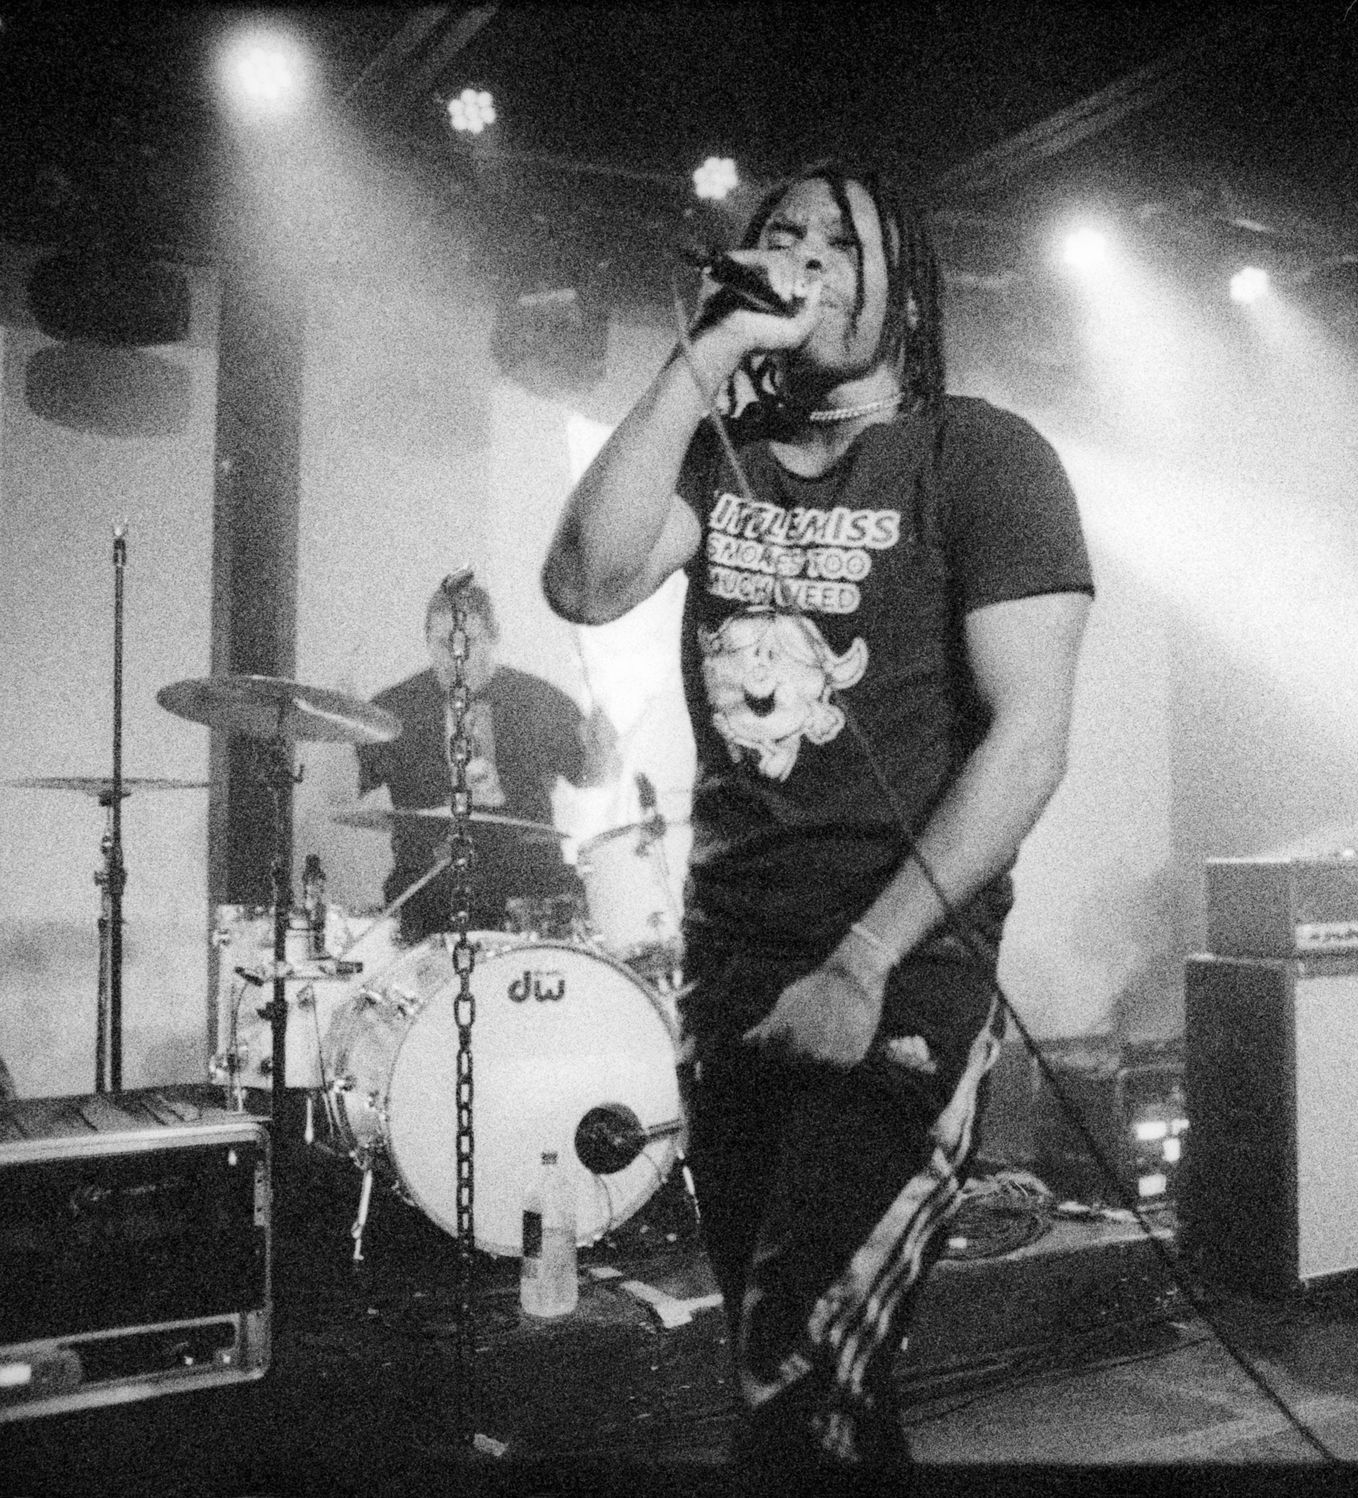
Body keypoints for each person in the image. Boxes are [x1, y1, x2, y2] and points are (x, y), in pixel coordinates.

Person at [542, 161, 1093, 1471]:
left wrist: (865, 960)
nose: (799, 261)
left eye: (839, 243)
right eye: (776, 238)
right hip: (731, 971)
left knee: (794, 1368)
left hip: (899, 983)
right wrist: (708, 350)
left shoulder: (981, 455)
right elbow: (582, 578)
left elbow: (1029, 744)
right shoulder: (715, 459)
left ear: (907, 291)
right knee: (809, 1385)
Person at [355, 582, 616, 941]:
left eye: (468, 643)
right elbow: (356, 800)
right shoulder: (392, 710)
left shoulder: (540, 701)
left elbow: (593, 778)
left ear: (494, 637)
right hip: (432, 889)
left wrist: (604, 750)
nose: (455, 657)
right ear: (427, 640)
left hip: (528, 886)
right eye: (443, 643)